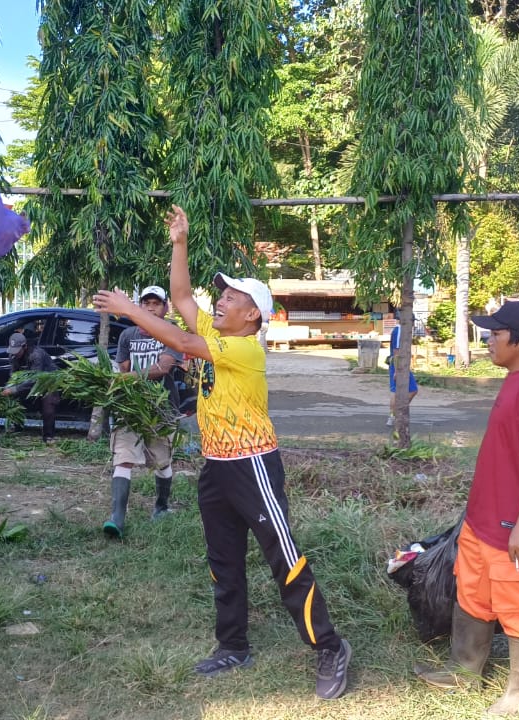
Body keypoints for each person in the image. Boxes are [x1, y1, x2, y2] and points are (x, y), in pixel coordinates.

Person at [92, 205, 353, 701]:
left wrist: (131, 311)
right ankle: (233, 645)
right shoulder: (217, 333)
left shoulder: (246, 349)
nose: (219, 301)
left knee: (284, 558)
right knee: (223, 560)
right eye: (222, 294)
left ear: (251, 314)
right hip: (217, 467)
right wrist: (179, 243)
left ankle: (329, 647)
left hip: (254, 465)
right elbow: (182, 298)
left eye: (230, 297)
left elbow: (182, 339)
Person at [414, 301, 519, 716]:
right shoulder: (514, 379)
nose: (488, 341)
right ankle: (464, 672)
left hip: (511, 525)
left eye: (496, 334)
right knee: (472, 594)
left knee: (516, 603)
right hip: (482, 521)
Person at [103, 285, 182, 538]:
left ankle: (161, 507)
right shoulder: (127, 335)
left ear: (165, 307)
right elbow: (122, 367)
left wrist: (131, 377)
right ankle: (117, 518)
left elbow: (164, 367)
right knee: (123, 455)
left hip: (161, 407)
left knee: (162, 459)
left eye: (156, 304)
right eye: (146, 303)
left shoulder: (172, 333)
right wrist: (122, 381)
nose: (150, 308)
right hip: (131, 407)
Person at [2, 331, 61, 443]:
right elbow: (13, 375)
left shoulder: (36, 355)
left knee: (48, 408)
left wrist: (13, 389)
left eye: (17, 351)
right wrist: (8, 387)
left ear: (24, 346)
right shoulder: (13, 356)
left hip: (47, 383)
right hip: (27, 382)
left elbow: (35, 379)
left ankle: (48, 436)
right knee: (13, 401)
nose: (15, 354)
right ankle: (17, 427)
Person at [387, 322, 418, 427]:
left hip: (401, 365)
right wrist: (396, 370)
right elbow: (396, 352)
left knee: (410, 390)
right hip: (398, 365)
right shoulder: (399, 330)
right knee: (398, 391)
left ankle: (396, 413)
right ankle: (394, 415)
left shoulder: (400, 330)